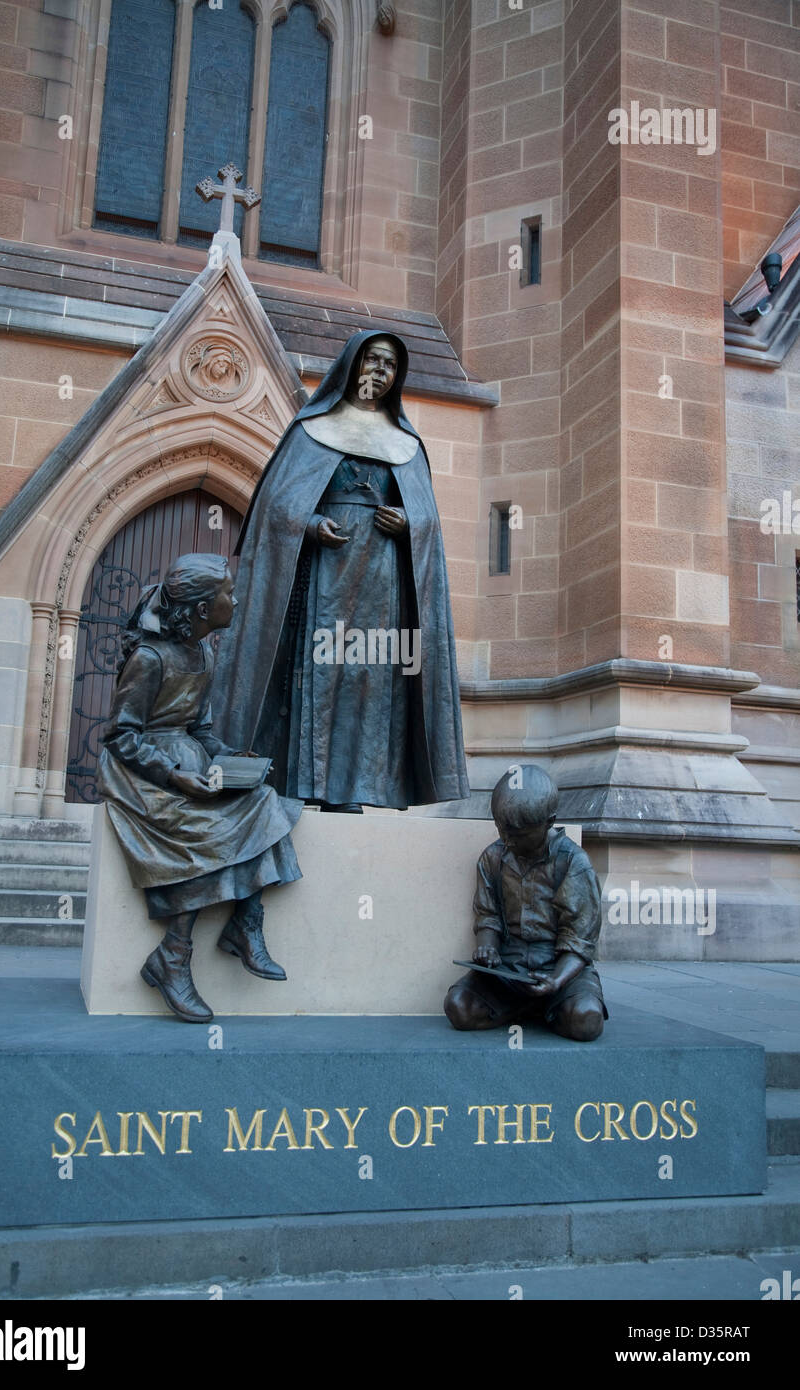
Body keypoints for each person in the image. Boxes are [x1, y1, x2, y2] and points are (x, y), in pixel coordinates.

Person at [215, 330, 470, 812]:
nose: (380, 370)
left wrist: (409, 522)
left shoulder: (407, 442)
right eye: (372, 359)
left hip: (383, 584)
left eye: (390, 364)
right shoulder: (312, 427)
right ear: (352, 364)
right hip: (322, 580)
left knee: (368, 680)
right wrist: (309, 524)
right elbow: (274, 507)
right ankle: (302, 784)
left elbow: (430, 521)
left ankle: (355, 790)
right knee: (316, 673)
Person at [96, 553, 302, 1024]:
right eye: (227, 593)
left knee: (263, 800)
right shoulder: (149, 658)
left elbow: (201, 729)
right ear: (203, 608)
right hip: (143, 771)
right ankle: (174, 953)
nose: (236, 599)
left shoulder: (205, 651)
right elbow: (120, 736)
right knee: (204, 829)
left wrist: (230, 759)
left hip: (191, 762)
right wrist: (173, 774)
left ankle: (246, 925)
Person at [444, 765, 607, 1041]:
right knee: (458, 1007)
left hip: (560, 969)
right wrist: (487, 947)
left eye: (518, 835)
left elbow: (579, 939)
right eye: (502, 830)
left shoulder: (573, 862)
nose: (508, 841)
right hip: (510, 970)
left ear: (548, 822)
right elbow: (488, 916)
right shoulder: (493, 858)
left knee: (586, 1021)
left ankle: (547, 1004)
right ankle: (532, 1008)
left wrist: (556, 980)